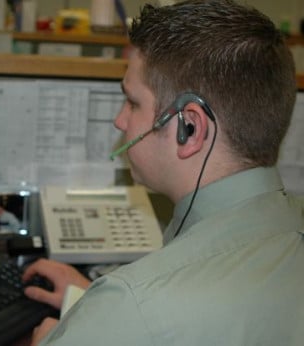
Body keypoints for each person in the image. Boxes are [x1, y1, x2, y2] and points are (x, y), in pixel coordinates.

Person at [22, 1, 304, 345]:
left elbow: (149, 315)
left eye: (133, 102)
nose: (119, 120)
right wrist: (93, 307)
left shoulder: (134, 303)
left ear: (190, 128)